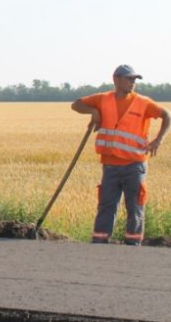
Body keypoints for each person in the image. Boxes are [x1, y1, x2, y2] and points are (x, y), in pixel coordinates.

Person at [71, 64, 170, 246]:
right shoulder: (103, 99)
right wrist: (93, 111)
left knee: (135, 207)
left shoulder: (143, 103)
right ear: (116, 79)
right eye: (129, 79)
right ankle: (99, 242)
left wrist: (158, 140)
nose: (132, 83)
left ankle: (132, 245)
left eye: (134, 80)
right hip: (110, 166)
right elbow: (76, 104)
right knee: (106, 206)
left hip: (135, 165)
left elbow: (166, 115)